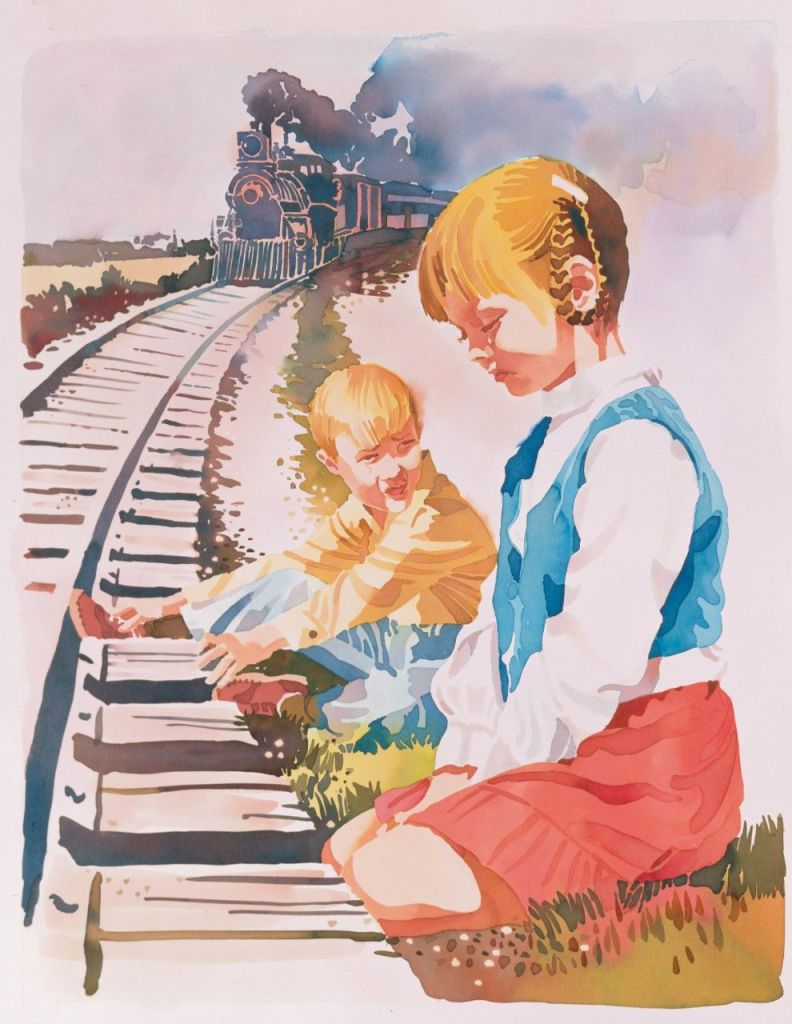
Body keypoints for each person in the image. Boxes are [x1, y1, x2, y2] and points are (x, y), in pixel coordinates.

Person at [325, 158, 743, 934]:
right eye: (463, 334)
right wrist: (461, 761)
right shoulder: (541, 449)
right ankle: (479, 841)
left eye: (489, 324)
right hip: (558, 745)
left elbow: (591, 661)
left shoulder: (638, 446)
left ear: (578, 288)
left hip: (644, 763)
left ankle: (597, 883)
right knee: (351, 845)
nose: (476, 350)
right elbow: (498, 630)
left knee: (389, 868)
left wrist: (486, 777)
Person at [71, 363, 496, 744]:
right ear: (333, 464)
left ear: (419, 431)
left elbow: (357, 596)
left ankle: (295, 705)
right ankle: (157, 629)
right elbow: (292, 563)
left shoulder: (436, 518)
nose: (392, 470)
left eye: (403, 445)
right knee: (290, 581)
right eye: (370, 458)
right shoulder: (368, 511)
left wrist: (260, 640)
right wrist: (171, 603)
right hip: (393, 640)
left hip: (448, 654)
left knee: (404, 701)